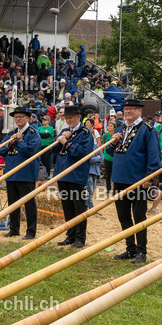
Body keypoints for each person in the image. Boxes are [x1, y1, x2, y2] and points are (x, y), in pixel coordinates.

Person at [106, 99, 162, 264]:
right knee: (123, 216)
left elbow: (154, 155)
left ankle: (141, 251)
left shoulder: (147, 130)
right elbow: (110, 151)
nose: (128, 111)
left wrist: (150, 177)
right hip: (119, 178)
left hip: (138, 180)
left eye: (132, 109)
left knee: (139, 216)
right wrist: (113, 141)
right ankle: (130, 248)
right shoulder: (121, 128)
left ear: (139, 111)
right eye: (126, 109)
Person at [54, 105, 94, 248]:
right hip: (62, 174)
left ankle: (80, 238)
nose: (69, 120)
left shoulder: (85, 133)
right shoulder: (64, 131)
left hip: (76, 175)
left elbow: (81, 153)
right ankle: (70, 236)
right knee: (67, 207)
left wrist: (67, 142)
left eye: (71, 118)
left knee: (79, 208)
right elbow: (53, 150)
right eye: (67, 118)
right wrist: (60, 139)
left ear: (78, 118)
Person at [2, 107, 43, 239]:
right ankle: (14, 229)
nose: (18, 119)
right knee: (12, 203)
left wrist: (19, 141)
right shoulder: (12, 133)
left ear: (27, 118)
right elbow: (1, 150)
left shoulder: (33, 133)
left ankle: (31, 231)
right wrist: (11, 142)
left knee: (29, 204)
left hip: (26, 174)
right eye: (16, 117)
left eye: (21, 117)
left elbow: (30, 151)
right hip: (11, 172)